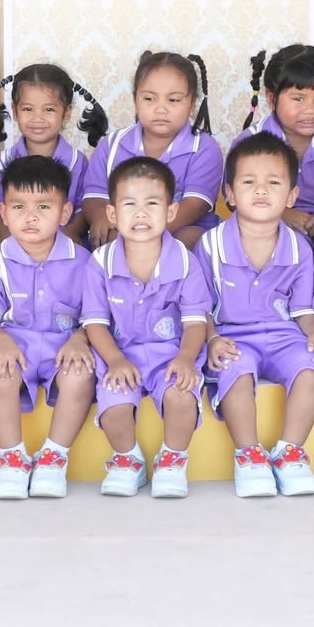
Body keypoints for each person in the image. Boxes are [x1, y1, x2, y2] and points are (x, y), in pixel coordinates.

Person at [199, 133, 314, 499]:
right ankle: (249, 456)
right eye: (248, 182)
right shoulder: (211, 245)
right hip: (231, 335)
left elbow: (303, 310)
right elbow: (198, 309)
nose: (261, 190)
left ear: (291, 195)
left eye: (273, 183)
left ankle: (290, 453)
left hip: (283, 335)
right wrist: (211, 339)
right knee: (236, 368)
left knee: (311, 366)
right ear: (229, 193)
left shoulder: (299, 247)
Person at [0, 156, 101, 500]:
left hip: (64, 344)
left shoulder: (84, 261)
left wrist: (80, 339)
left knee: (80, 374)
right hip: (14, 343)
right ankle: (12, 458)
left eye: (43, 206)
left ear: (65, 212)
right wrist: (1, 342)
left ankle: (53, 457)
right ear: (3, 212)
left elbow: (96, 317)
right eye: (19, 207)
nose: (30, 217)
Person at [84, 156, 210, 499]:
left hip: (171, 353)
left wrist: (186, 358)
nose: (141, 213)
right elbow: (95, 323)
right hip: (119, 353)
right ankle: (128, 460)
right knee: (115, 407)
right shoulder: (99, 263)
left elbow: (195, 322)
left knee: (181, 396)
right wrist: (115, 360)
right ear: (112, 214)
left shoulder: (185, 261)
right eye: (130, 204)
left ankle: (172, 460)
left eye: (152, 204)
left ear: (171, 212)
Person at [78, 51, 221, 244]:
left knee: (191, 238)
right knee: (104, 237)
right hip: (123, 232)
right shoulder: (111, 145)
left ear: (192, 105)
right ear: (135, 99)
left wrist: (144, 235)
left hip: (177, 231)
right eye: (149, 99)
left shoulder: (204, 148)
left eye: (173, 100)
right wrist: (100, 218)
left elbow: (194, 206)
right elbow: (94, 197)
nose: (160, 109)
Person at [0, 63, 109, 244]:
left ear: (66, 113)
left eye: (48, 109)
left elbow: (82, 209)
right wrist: (2, 234)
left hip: (62, 243)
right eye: (27, 109)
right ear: (15, 111)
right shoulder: (3, 162)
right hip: (14, 242)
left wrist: (71, 233)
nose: (37, 118)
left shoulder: (78, 163)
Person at [236, 45, 314, 240]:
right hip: (270, 226)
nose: (310, 109)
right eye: (298, 99)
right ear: (272, 99)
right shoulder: (251, 142)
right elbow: (235, 198)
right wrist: (282, 214)